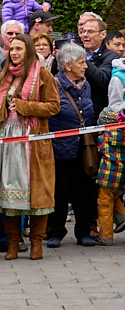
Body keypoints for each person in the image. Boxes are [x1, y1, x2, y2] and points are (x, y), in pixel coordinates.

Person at [0, 34, 61, 261]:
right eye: (12, 49)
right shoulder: (5, 75)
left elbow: (54, 106)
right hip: (6, 138)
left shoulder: (43, 74)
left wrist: (24, 106)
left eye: (19, 49)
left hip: (32, 140)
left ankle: (37, 243)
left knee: (37, 195)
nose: (14, 53)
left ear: (28, 51)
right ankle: (13, 243)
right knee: (8, 194)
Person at [47, 42, 98, 247]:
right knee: (59, 191)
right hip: (59, 146)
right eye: (81, 62)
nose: (85, 66)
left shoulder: (86, 85)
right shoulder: (53, 84)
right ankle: (55, 232)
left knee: (83, 191)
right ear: (67, 65)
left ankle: (83, 232)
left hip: (82, 147)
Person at [95, 107, 125, 244]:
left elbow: (99, 150)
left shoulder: (104, 137)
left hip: (107, 176)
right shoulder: (123, 135)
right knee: (115, 197)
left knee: (104, 205)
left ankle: (105, 236)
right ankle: (122, 217)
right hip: (122, 177)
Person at [80, 16, 119, 115]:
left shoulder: (112, 57)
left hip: (97, 113)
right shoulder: (76, 51)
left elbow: (103, 81)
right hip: (74, 112)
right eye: (83, 31)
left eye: (90, 32)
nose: (85, 35)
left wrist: (81, 59)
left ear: (103, 34)